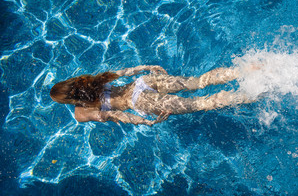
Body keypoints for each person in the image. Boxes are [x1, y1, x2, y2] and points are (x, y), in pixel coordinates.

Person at [50, 65, 256, 126]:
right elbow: (123, 73)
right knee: (198, 81)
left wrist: (147, 123)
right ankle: (247, 70)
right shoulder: (92, 81)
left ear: (67, 100)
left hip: (139, 101)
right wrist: (146, 67)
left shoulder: (81, 112)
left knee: (201, 102)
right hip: (142, 82)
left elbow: (116, 116)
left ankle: (254, 93)